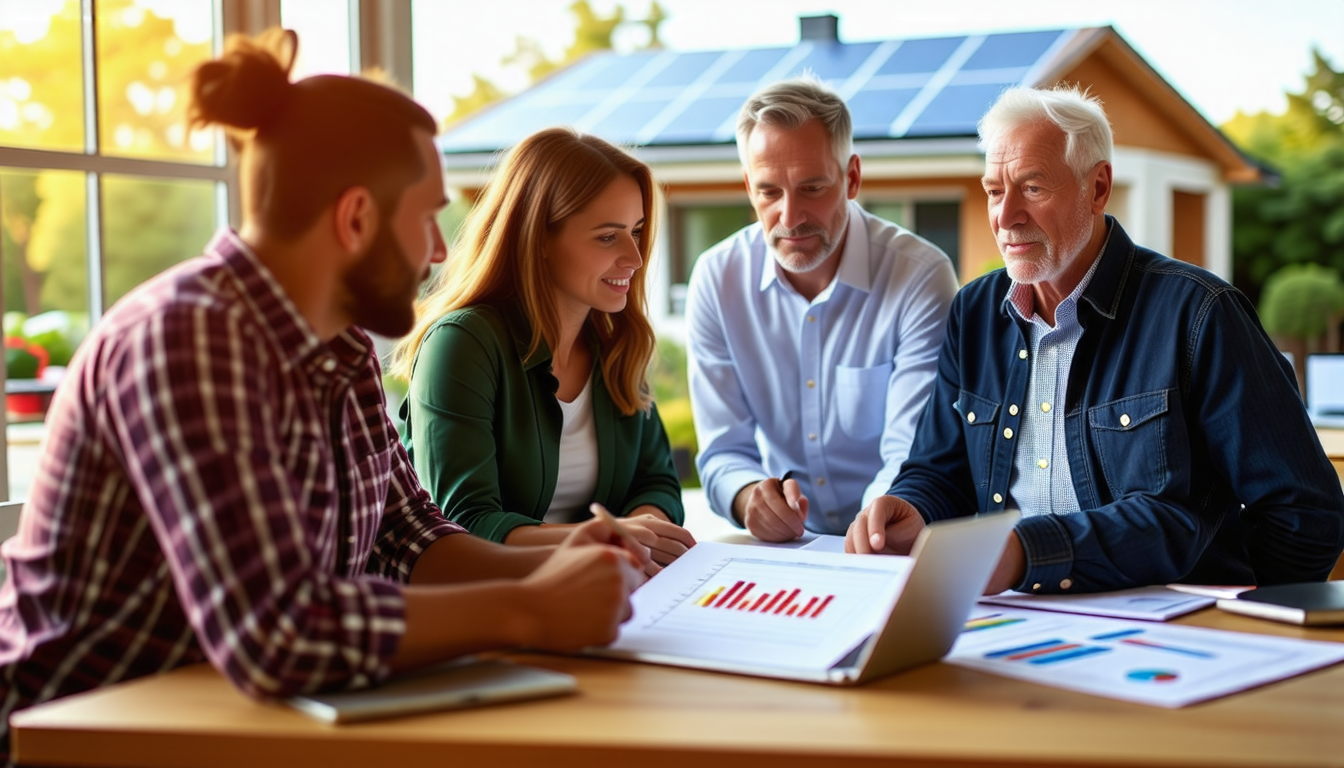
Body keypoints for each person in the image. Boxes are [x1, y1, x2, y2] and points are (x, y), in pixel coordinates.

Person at [0, 30, 644, 762]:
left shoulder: (340, 348)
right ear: (357, 218)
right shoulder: (190, 338)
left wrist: (559, 561)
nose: (439, 250)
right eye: (428, 216)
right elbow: (278, 631)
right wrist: (529, 609)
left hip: (226, 720)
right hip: (74, 735)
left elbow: (409, 539)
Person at [846, 84, 1344, 593]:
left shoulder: (1200, 313)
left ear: (1098, 187)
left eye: (1033, 188)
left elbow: (1306, 516)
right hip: (1011, 619)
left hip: (1175, 637)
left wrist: (1234, 616)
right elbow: (940, 472)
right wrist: (910, 504)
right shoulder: (974, 313)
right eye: (995, 191)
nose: (1006, 215)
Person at [391, 127, 694, 574]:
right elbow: (462, 522)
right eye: (608, 237)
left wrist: (641, 531)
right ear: (540, 240)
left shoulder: (616, 341)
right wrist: (609, 541)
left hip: (608, 593)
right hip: (495, 608)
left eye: (636, 231)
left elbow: (658, 482)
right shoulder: (460, 344)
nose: (635, 257)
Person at [686, 76, 959, 542]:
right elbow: (722, 452)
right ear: (749, 186)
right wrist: (751, 496)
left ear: (851, 177)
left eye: (812, 188)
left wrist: (869, 530)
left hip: (891, 537)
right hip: (786, 548)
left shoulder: (919, 276)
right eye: (769, 192)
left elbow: (912, 453)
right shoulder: (716, 279)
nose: (790, 218)